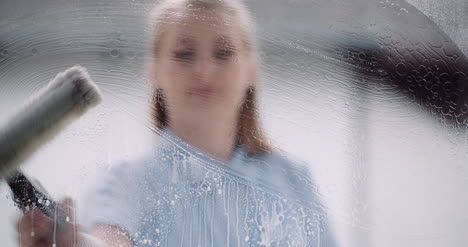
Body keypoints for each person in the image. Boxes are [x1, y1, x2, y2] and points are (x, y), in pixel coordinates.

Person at [17, 0, 336, 246]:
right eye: (184, 54)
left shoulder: (294, 179)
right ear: (154, 71)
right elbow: (105, 240)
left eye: (223, 53)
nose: (204, 70)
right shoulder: (124, 184)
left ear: (250, 69)